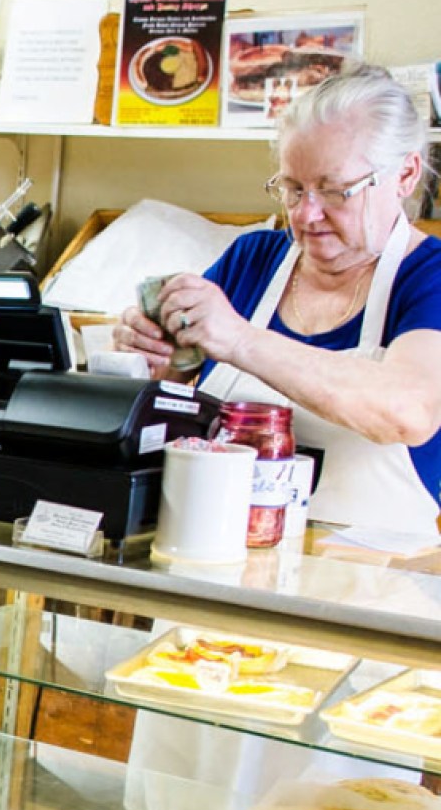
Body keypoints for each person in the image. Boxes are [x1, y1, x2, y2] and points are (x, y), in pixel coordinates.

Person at [114, 62, 441, 535]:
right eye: (292, 189)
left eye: (334, 191)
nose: (307, 214)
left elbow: (409, 412)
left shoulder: (428, 277)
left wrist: (242, 340)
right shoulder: (253, 259)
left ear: (406, 174)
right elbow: (177, 391)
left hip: (369, 585)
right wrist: (159, 362)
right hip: (218, 557)